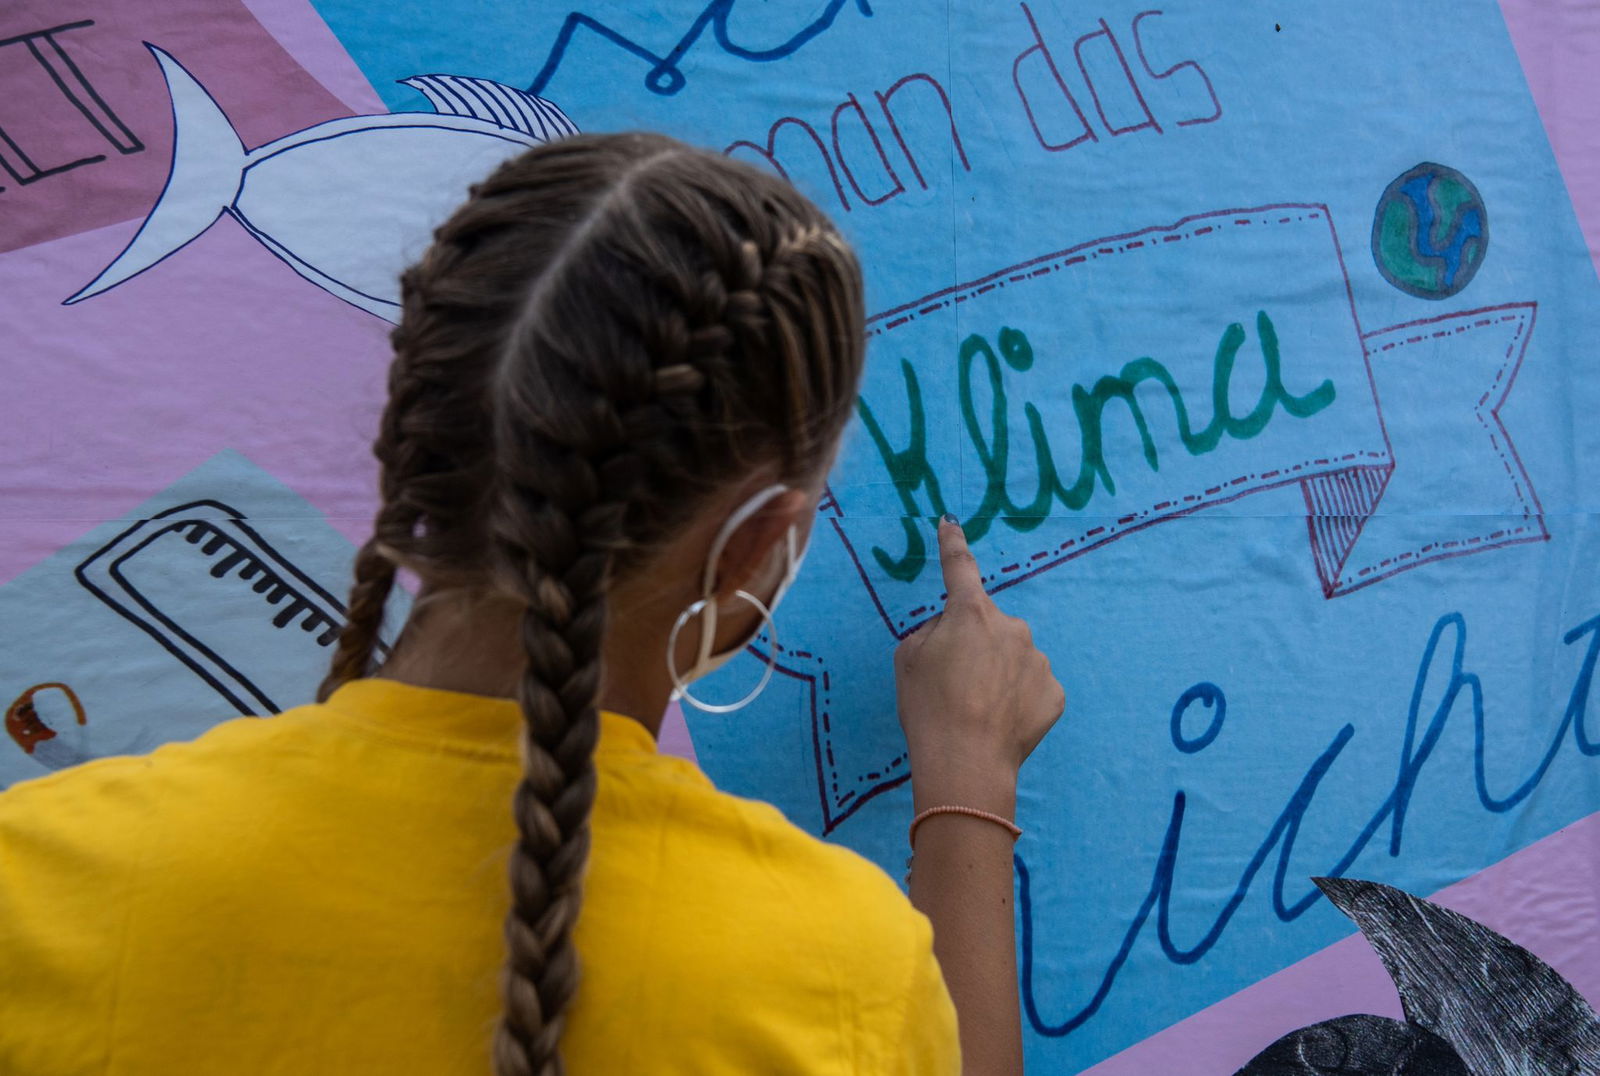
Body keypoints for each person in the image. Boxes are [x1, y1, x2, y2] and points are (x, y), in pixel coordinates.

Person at [0, 133, 1064, 1075]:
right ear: (757, 546)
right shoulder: (837, 969)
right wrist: (967, 783)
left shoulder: (32, 876)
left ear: (415, 442)